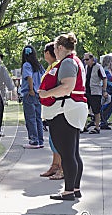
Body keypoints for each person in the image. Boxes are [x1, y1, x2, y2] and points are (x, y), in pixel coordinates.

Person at [38, 32, 88, 200]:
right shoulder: (76, 61)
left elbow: (67, 87)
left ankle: (68, 192)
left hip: (66, 110)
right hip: (74, 108)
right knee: (73, 153)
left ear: (60, 47)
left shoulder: (67, 63)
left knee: (67, 153)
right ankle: (74, 189)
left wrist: (45, 94)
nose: (54, 53)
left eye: (54, 48)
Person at [39, 42, 63, 180]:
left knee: (59, 140)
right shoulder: (51, 67)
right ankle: (55, 165)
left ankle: (61, 167)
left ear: (48, 53)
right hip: (50, 107)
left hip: (56, 107)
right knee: (53, 139)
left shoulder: (58, 67)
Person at [20, 45, 45, 149]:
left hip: (30, 94)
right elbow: (44, 77)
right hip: (38, 93)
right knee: (38, 118)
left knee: (30, 118)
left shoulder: (26, 65)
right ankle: (40, 140)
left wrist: (31, 89)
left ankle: (33, 140)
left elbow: (29, 77)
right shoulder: (39, 66)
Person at [83, 53, 107, 134]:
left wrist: (104, 90)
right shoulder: (86, 67)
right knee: (85, 109)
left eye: (87, 59)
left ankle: (97, 127)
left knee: (96, 110)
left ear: (92, 59)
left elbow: (104, 78)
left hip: (96, 92)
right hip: (87, 91)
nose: (85, 61)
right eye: (84, 60)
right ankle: (84, 126)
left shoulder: (98, 67)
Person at [100, 55, 112, 129]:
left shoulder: (109, 69)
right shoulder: (105, 69)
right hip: (107, 89)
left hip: (110, 88)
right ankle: (102, 119)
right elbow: (110, 78)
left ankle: (104, 120)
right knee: (107, 105)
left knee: (110, 105)